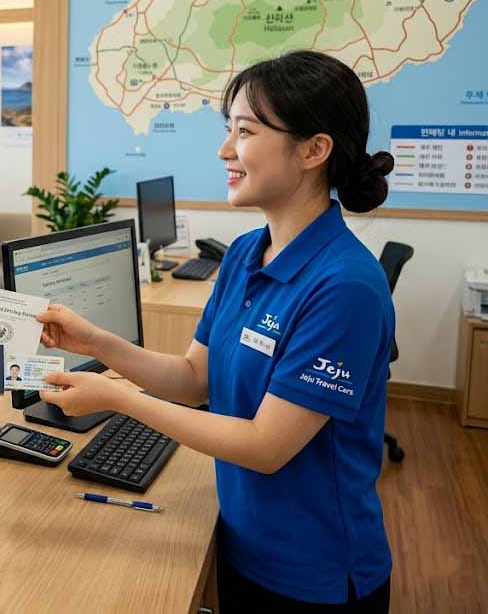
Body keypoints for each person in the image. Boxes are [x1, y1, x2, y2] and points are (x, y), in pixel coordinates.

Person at [37, 51, 394, 614]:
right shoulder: (247, 253)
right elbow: (193, 378)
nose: (225, 150)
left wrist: (119, 398)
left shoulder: (345, 286)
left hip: (313, 572)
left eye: (245, 132)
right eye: (229, 130)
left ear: (313, 150)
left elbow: (266, 447)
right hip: (241, 538)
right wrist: (98, 343)